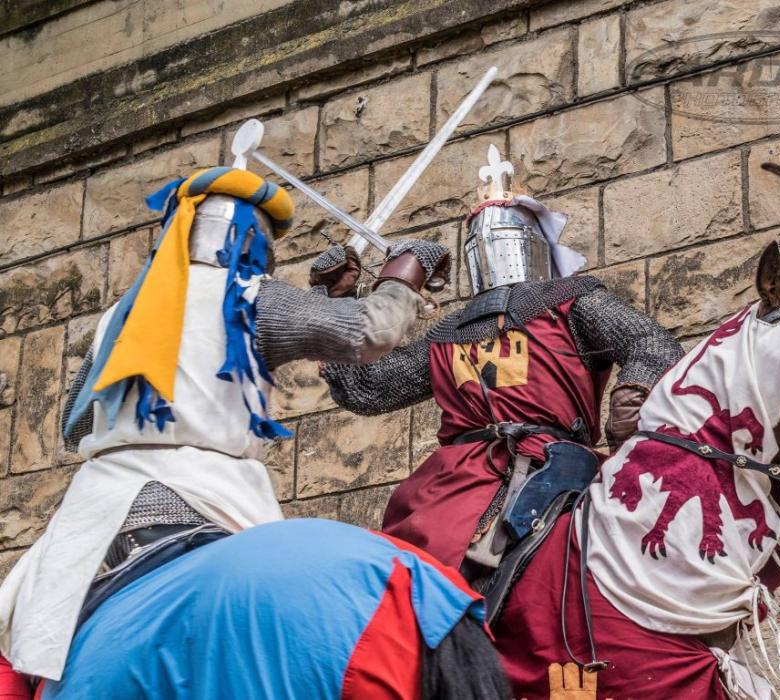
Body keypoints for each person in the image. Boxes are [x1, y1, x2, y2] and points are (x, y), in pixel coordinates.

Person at [0, 166, 449, 685]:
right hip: (208, 498)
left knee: (27, 647)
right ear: (254, 239)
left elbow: (74, 429)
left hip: (93, 518)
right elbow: (371, 331)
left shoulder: (120, 315)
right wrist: (402, 277)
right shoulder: (248, 294)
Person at [321, 146, 684, 577]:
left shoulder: (571, 302)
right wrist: (338, 302)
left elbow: (650, 343)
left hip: (558, 467)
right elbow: (370, 388)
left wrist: (632, 394)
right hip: (458, 480)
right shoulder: (447, 332)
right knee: (414, 573)